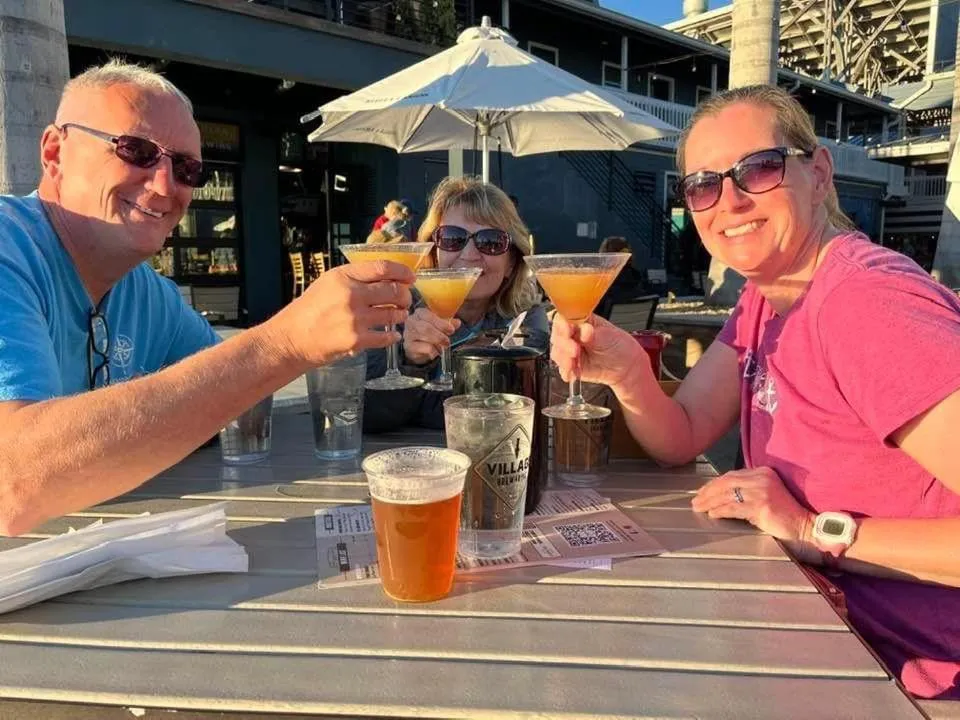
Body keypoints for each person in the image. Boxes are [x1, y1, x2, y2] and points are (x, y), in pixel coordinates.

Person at [550, 85, 960, 700]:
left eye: (759, 168)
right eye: (703, 185)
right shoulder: (763, 298)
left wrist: (811, 529)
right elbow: (681, 434)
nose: (730, 201)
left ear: (818, 173)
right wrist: (627, 371)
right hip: (812, 635)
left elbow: (806, 529)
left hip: (914, 678)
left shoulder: (865, 304)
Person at [0, 61, 413, 536]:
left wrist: (378, 345)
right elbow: (14, 483)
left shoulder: (151, 294)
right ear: (55, 153)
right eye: (135, 150)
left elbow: (233, 401)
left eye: (186, 168)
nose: (163, 185)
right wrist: (285, 342)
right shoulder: (10, 249)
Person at [364, 176, 548, 431]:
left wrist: (424, 405)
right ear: (434, 253)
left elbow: (515, 407)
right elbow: (367, 415)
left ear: (512, 263)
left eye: (491, 241)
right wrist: (410, 363)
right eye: (452, 238)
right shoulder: (394, 310)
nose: (470, 255)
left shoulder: (526, 316)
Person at [596, 235, 644, 317]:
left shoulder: (603, 285)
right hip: (633, 327)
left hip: (607, 328)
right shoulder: (637, 280)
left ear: (606, 256)